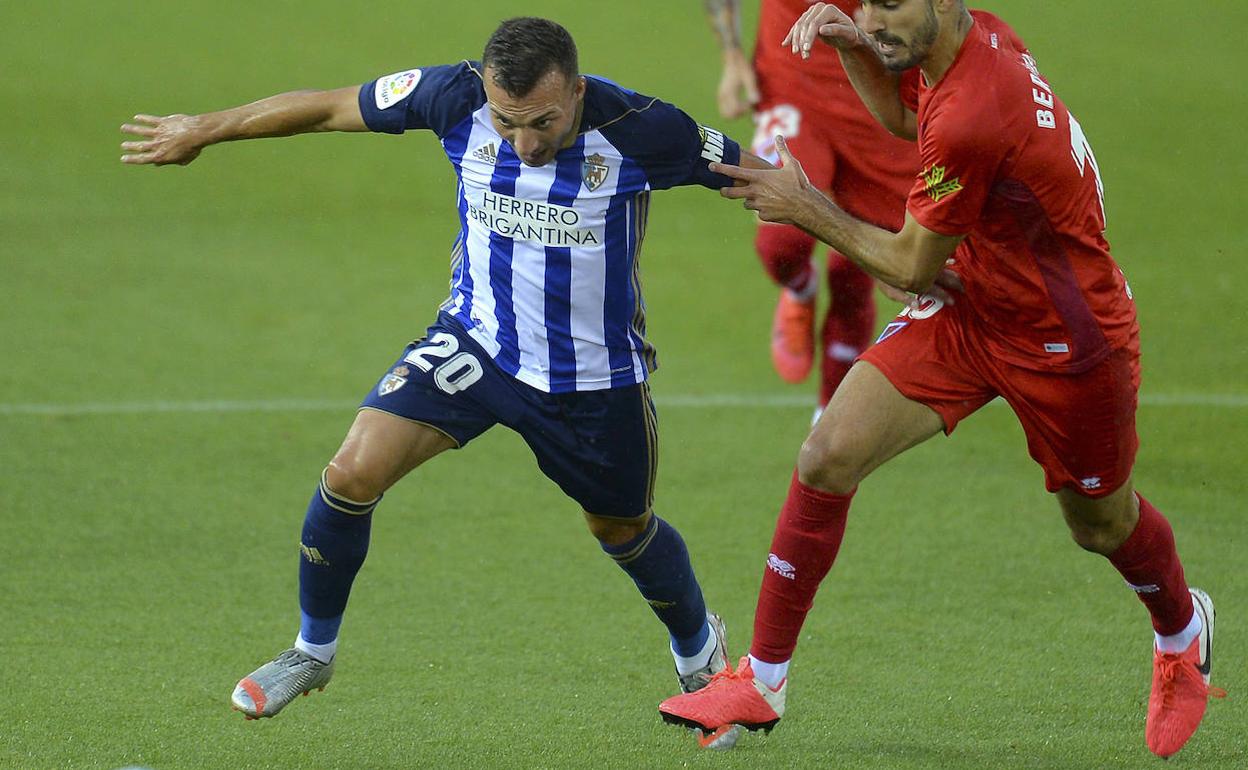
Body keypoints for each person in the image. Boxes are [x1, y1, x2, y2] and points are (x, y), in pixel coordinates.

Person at [121, 16, 768, 720]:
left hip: (591, 380)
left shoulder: (646, 129)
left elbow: (761, 176)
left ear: (577, 91)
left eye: (542, 123)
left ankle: (702, 658)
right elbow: (331, 106)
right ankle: (311, 652)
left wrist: (889, 248)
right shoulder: (450, 96)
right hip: (475, 344)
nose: (522, 143)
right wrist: (204, 129)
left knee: (621, 528)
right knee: (351, 473)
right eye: (506, 121)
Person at [659, 0, 1223, 759]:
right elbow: (901, 119)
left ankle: (1183, 632)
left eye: (890, 6)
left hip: (1067, 341)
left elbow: (906, 264)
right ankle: (762, 680)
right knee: (828, 452)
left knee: (1100, 525)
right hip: (972, 307)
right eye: (868, 2)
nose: (873, 14)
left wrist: (804, 204)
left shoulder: (974, 112)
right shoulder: (975, 35)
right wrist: (857, 46)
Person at [704, 0, 919, 418]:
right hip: (793, 74)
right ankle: (800, 287)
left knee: (865, 263)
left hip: (878, 87)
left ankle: (830, 417)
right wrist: (732, 55)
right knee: (780, 243)